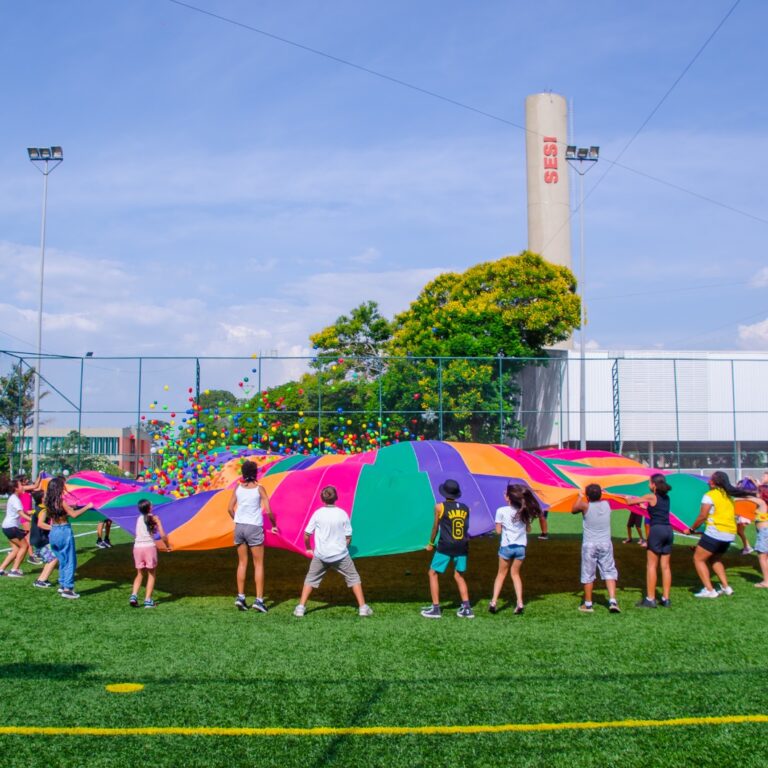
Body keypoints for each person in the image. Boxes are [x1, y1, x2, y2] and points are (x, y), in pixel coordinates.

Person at [293, 485, 372, 617]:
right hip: (340, 555)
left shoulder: (318, 514)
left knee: (310, 579)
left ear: (322, 498)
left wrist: (308, 548)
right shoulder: (342, 514)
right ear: (336, 498)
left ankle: (301, 608)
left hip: (321, 555)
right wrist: (344, 547)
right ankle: (363, 608)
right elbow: (348, 536)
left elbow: (307, 534)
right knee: (354, 578)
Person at [686, 471, 759, 598]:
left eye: (710, 479)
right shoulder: (728, 496)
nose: (708, 481)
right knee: (715, 559)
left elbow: (703, 516)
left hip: (716, 533)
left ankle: (709, 590)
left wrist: (691, 529)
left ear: (714, 482)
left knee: (698, 559)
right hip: (729, 534)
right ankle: (726, 587)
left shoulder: (710, 495)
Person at [227, 459, 278, 612]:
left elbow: (229, 508)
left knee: (242, 563)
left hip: (240, 527)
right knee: (258, 564)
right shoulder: (259, 489)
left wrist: (237, 519)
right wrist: (274, 525)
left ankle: (241, 597)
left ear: (243, 473)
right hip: (254, 527)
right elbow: (268, 511)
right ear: (255, 473)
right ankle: (259, 600)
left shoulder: (238, 488)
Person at [421, 478, 473, 619]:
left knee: (432, 573)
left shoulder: (439, 507)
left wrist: (431, 543)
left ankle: (436, 608)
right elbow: (465, 527)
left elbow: (435, 527)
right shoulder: (465, 508)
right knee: (459, 576)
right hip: (462, 545)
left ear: (444, 493)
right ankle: (467, 608)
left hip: (446, 545)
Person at [488, 483, 542, 616]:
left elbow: (498, 531)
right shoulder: (525, 511)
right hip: (520, 548)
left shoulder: (501, 511)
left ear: (509, 498)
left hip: (506, 547)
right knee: (515, 575)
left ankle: (494, 602)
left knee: (501, 575)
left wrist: (499, 527)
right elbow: (528, 530)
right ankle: (520, 602)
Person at [624, 474, 674, 608]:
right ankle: (666, 598)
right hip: (668, 531)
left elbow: (629, 502)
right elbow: (656, 509)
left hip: (657, 531)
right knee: (665, 566)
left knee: (651, 565)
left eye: (649, 483)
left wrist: (626, 497)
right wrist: (644, 507)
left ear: (654, 485)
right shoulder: (666, 497)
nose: (648, 485)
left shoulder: (651, 496)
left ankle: (650, 599)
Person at [42, 476, 94, 599]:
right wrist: (87, 506)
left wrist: (73, 507)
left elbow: (64, 511)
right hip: (64, 531)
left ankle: (62, 584)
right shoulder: (61, 501)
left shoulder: (48, 502)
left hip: (53, 532)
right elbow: (74, 515)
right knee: (70, 560)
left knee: (62, 560)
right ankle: (68, 588)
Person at [572, 484, 620, 613]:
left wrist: (579, 496)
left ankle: (588, 604)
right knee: (609, 571)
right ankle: (613, 601)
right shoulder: (607, 504)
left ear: (587, 496)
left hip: (590, 545)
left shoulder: (585, 506)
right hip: (605, 544)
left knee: (588, 574)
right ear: (601, 495)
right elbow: (605, 497)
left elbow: (573, 509)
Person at [129, 499, 171, 608]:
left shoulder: (138, 519)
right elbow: (162, 535)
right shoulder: (154, 518)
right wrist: (167, 545)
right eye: (151, 504)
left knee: (139, 573)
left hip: (137, 547)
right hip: (149, 548)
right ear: (149, 508)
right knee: (151, 574)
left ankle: (133, 595)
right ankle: (148, 600)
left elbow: (136, 534)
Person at [1, 476, 32, 577]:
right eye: (21, 486)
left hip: (7, 527)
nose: (23, 487)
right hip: (11, 527)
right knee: (25, 546)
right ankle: (15, 570)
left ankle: (1, 569)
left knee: (15, 549)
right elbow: (22, 514)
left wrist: (33, 512)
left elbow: (22, 512)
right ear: (16, 488)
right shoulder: (15, 499)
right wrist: (34, 521)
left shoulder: (14, 498)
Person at [29, 490, 59, 588]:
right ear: (42, 498)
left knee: (50, 558)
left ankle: (41, 579)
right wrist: (54, 528)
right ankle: (41, 580)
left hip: (37, 538)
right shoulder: (43, 510)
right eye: (46, 495)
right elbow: (40, 524)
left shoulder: (38, 508)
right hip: (41, 538)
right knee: (54, 558)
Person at [754, 484, 768, 588]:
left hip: (764, 532)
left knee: (762, 557)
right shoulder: (764, 504)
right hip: (765, 532)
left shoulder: (762, 503)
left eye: (757, 492)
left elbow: (748, 498)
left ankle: (766, 582)